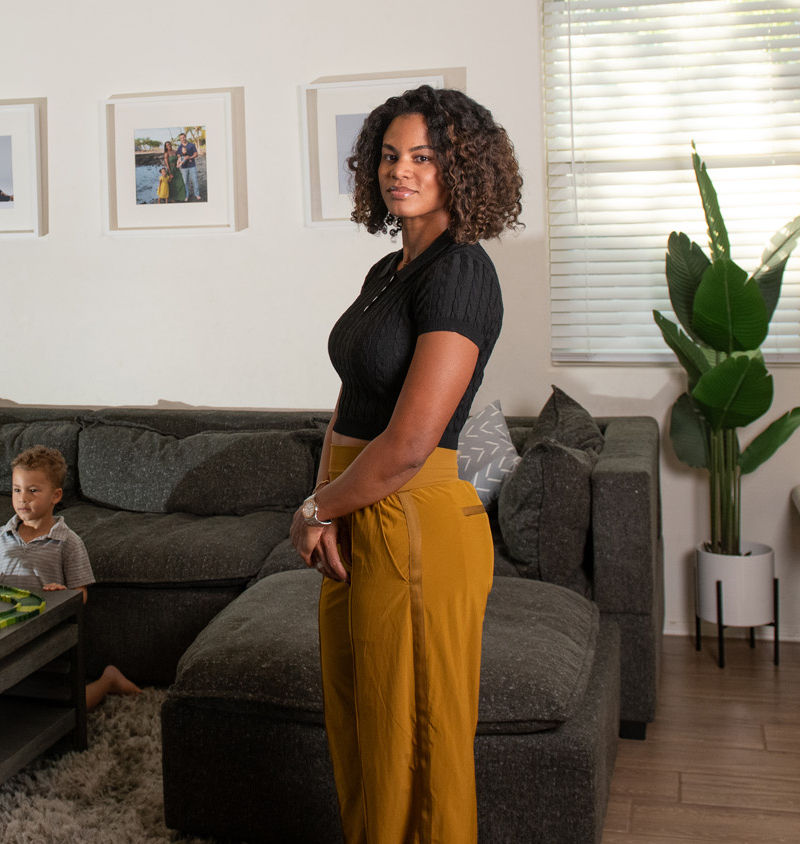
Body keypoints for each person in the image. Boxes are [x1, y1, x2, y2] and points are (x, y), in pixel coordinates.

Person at [290, 85, 522, 844]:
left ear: (463, 167)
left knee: (415, 747)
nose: (402, 170)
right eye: (390, 155)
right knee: (362, 727)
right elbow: (350, 400)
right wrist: (325, 499)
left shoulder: (462, 273)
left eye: (424, 156)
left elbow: (413, 440)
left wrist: (322, 507)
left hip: (414, 518)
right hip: (358, 507)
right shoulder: (387, 272)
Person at [0, 445, 140, 710]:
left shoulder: (68, 542)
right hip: (4, 631)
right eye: (17, 489)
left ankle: (107, 680)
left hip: (47, 635)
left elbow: (81, 593)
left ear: (56, 495)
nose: (22, 498)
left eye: (33, 490)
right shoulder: (1, 536)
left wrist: (62, 594)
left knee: (70, 706)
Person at [176, 131, 200, 201]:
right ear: (180, 139)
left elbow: (196, 154)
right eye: (181, 138)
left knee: (195, 181)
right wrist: (180, 160)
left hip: (192, 166)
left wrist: (189, 158)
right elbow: (178, 155)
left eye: (183, 137)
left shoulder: (191, 145)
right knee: (185, 182)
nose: (182, 139)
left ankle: (197, 194)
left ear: (185, 137)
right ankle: (186, 195)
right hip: (184, 167)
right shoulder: (179, 147)